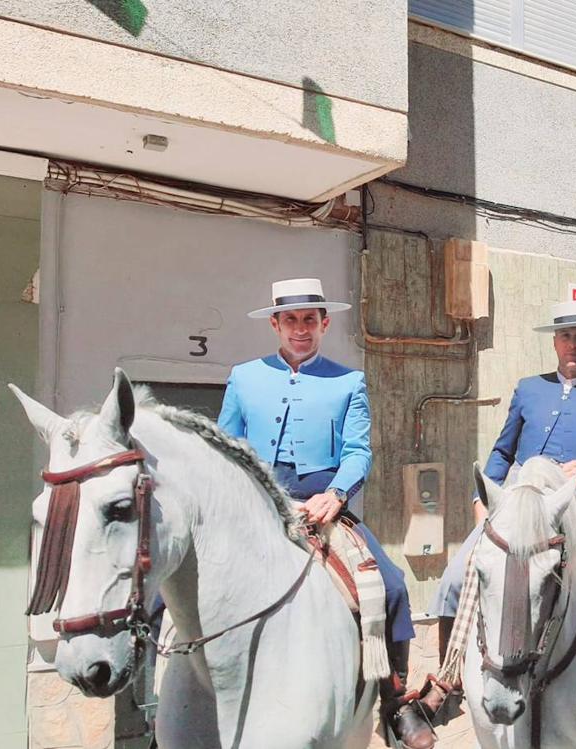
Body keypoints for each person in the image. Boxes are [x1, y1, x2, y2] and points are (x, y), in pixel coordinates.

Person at [418, 300, 576, 726]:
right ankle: (449, 685)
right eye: (566, 336)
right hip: (518, 502)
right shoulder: (528, 389)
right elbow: (501, 452)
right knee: (452, 580)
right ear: (554, 342)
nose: (573, 344)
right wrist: (480, 502)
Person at [217, 278, 435, 749]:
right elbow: (225, 446)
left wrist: (335, 495)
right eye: (291, 320)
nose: (301, 329)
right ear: (275, 324)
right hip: (256, 506)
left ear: (324, 324)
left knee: (393, 587)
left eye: (309, 320)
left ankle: (395, 701)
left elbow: (358, 452)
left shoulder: (348, 380)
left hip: (325, 507)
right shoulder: (244, 376)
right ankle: (171, 696)